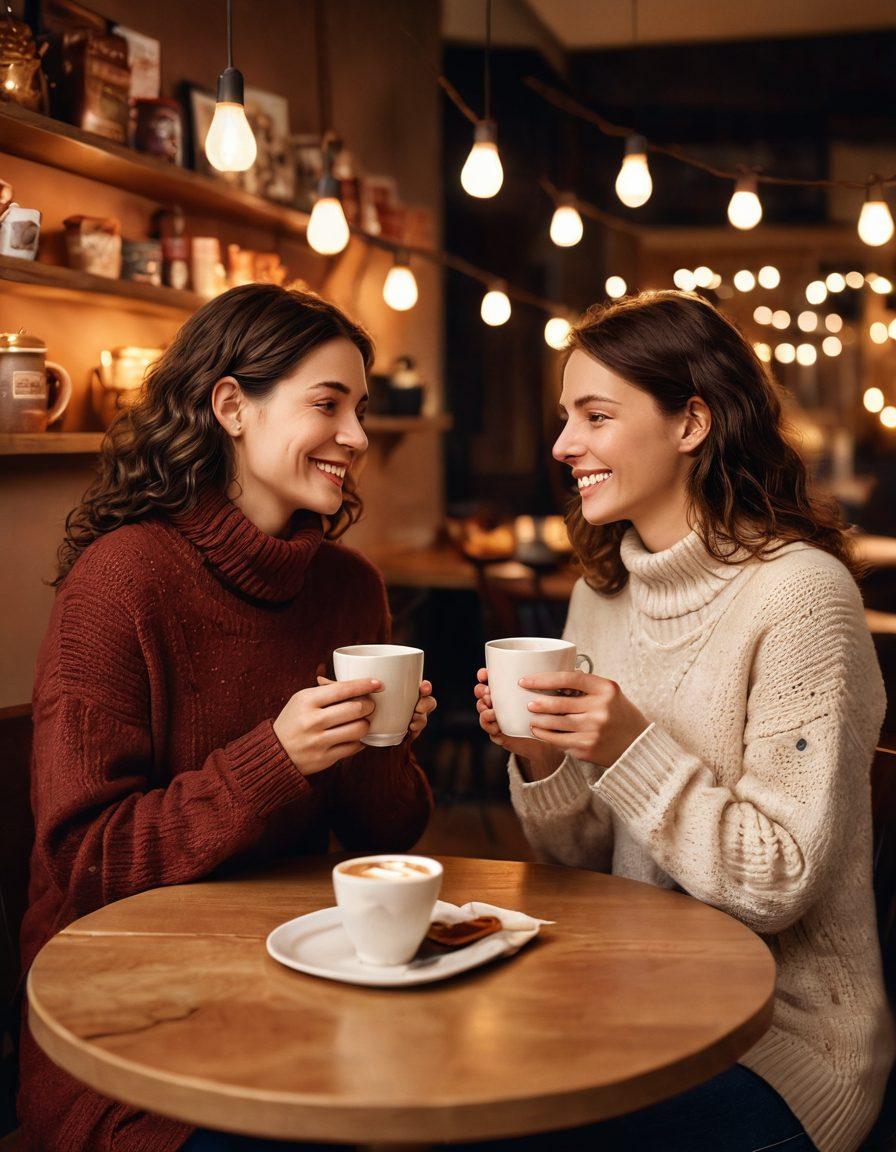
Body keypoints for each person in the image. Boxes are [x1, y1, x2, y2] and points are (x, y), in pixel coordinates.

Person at [19, 283, 436, 1152]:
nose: (357, 437)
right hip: (131, 1030)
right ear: (231, 406)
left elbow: (384, 841)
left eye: (358, 409)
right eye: (328, 404)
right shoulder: (121, 581)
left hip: (306, 990)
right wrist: (275, 759)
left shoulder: (346, 586)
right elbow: (87, 865)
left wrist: (376, 746)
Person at [474, 290, 893, 1152]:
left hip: (778, 1046)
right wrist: (544, 762)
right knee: (450, 1089)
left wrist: (630, 745)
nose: (563, 446)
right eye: (565, 417)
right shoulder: (604, 592)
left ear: (691, 422)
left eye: (596, 415)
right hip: (632, 1009)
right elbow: (582, 861)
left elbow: (778, 885)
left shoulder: (804, 598)